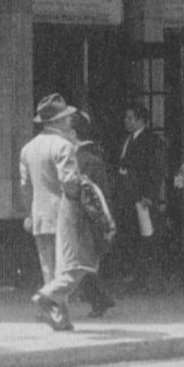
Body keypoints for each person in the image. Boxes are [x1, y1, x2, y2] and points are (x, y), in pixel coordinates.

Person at [18, 93, 96, 332]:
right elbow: (70, 182)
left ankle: (61, 320)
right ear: (58, 122)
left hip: (39, 215)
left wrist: (29, 214)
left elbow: (25, 186)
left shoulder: (28, 149)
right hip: (64, 213)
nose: (70, 122)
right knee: (78, 265)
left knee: (50, 269)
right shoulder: (63, 146)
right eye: (67, 118)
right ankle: (46, 295)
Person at [113, 102, 167, 291]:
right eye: (126, 117)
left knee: (147, 236)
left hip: (141, 198)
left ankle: (147, 278)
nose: (126, 121)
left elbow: (156, 171)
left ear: (141, 120)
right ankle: (136, 278)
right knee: (131, 236)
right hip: (127, 197)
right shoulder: (127, 139)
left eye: (130, 118)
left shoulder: (152, 141)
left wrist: (149, 195)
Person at [68, 110, 116, 318]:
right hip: (87, 218)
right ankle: (100, 300)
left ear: (73, 133)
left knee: (81, 261)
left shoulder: (81, 160)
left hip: (81, 218)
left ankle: (100, 299)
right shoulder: (93, 159)